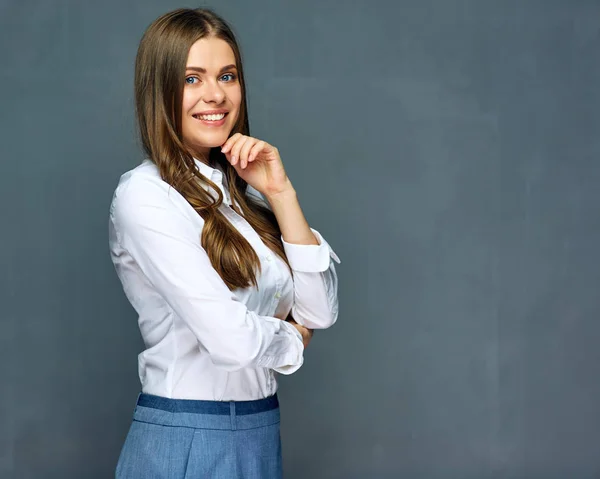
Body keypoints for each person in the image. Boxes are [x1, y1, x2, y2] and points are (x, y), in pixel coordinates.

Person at [108, 7, 341, 478]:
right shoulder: (144, 197)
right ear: (160, 89)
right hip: (186, 435)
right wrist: (291, 339)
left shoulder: (246, 192)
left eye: (227, 75)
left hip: (258, 429)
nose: (215, 94)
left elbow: (319, 310)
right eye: (192, 79)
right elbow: (232, 341)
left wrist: (281, 193)